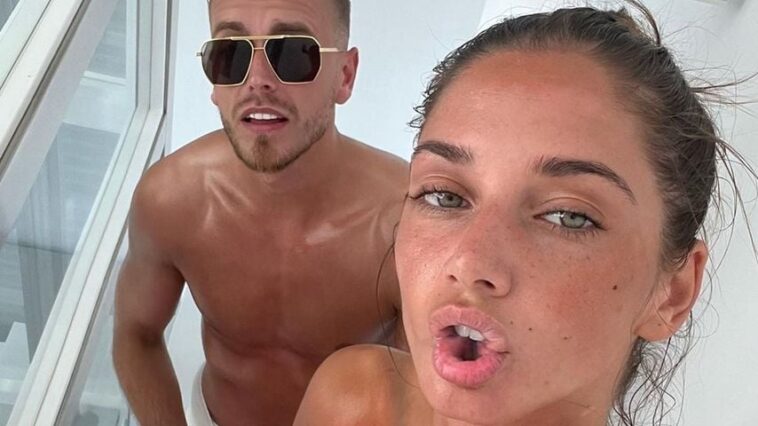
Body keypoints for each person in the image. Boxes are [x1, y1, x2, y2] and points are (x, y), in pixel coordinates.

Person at [294, 2, 757, 425]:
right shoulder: (353, 401)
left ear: (672, 293)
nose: (469, 262)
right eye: (444, 196)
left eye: (568, 217)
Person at [112, 0, 407, 425]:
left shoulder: (405, 227)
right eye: (230, 54)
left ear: (344, 76)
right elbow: (135, 333)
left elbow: (426, 392)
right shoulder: (170, 200)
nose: (257, 81)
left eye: (292, 52)